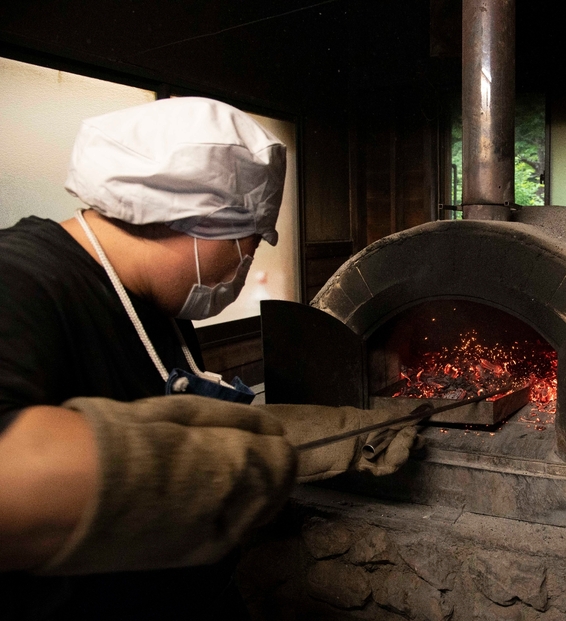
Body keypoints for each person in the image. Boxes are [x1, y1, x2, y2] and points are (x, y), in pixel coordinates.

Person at [0, 97, 417, 619]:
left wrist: (333, 434)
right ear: (192, 221)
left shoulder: (160, 307)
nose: (247, 260)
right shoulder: (18, 281)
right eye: (247, 240)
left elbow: (176, 412)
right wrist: (193, 473)